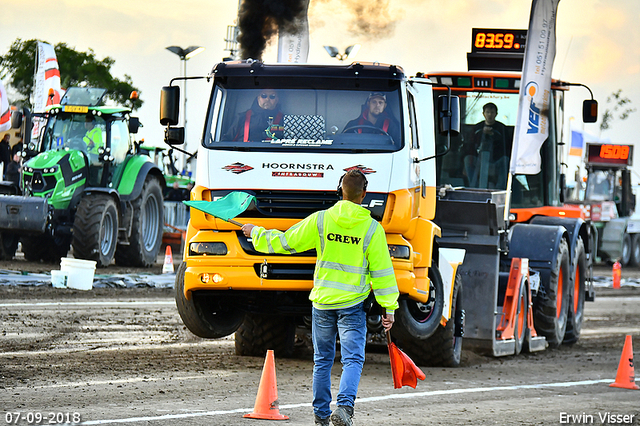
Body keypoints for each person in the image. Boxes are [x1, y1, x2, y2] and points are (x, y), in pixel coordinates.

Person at [241, 170, 399, 426]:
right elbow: (382, 274)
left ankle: (321, 416)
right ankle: (345, 408)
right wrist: (389, 308)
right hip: (352, 305)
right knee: (353, 359)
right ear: (364, 195)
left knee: (322, 360)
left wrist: (256, 232)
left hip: (322, 304)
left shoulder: (321, 221)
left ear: (340, 191)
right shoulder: (372, 230)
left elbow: (285, 242)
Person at [461, 102, 509, 188]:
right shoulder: (476, 128)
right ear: (483, 114)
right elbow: (469, 145)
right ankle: (473, 188)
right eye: (487, 112)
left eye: (492, 112)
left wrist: (494, 135)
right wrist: (481, 134)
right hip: (478, 160)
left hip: (496, 160)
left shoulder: (502, 128)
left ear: (496, 114)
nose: (490, 114)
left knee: (505, 160)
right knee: (467, 159)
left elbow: (506, 146)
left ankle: (500, 189)